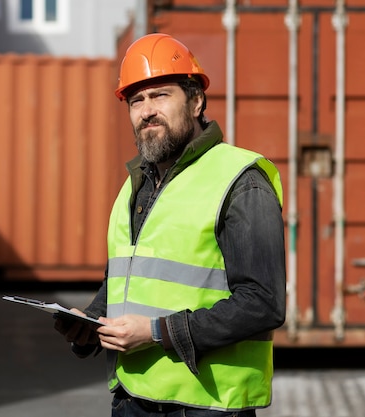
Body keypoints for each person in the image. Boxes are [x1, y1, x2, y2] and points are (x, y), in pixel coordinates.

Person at [54, 32, 286, 417]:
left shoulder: (240, 180)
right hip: (132, 401)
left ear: (195, 102)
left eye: (160, 95)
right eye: (136, 100)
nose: (146, 110)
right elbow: (128, 282)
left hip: (207, 406)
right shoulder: (137, 185)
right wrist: (90, 322)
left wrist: (156, 333)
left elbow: (263, 303)